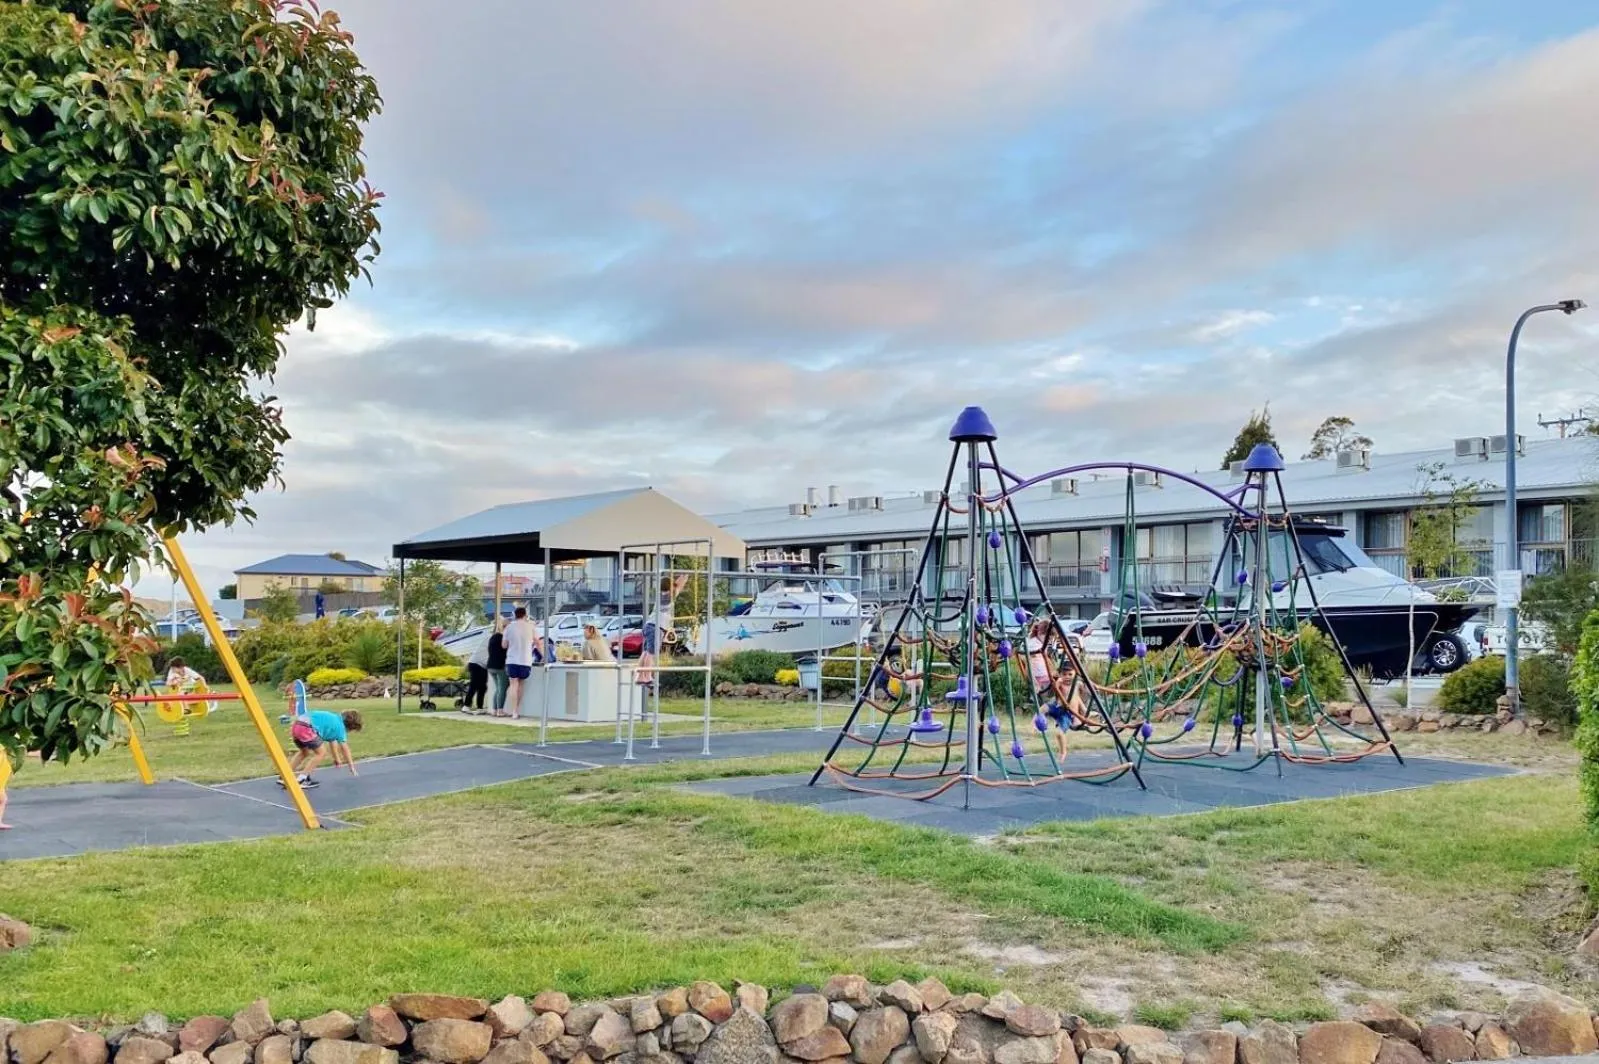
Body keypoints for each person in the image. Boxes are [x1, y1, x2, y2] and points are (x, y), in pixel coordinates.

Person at [287, 708, 363, 787]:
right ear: (351, 726)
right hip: (307, 727)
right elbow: (345, 749)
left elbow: (332, 742)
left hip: (297, 725)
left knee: (304, 752)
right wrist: (351, 766)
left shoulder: (334, 719)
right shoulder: (340, 728)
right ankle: (302, 778)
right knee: (321, 753)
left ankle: (284, 776)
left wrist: (337, 759)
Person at [503, 606, 536, 717]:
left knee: (513, 684)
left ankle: (513, 712)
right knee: (520, 684)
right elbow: (538, 642)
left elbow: (504, 645)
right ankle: (517, 709)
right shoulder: (530, 627)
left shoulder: (509, 627)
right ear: (525, 615)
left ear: (515, 615)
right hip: (525, 660)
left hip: (512, 659)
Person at [464, 629, 490, 713]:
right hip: (476, 664)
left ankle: (480, 708)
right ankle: (466, 706)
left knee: (482, 687)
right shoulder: (490, 639)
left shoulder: (490, 638)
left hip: (481, 665)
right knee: (474, 685)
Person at [486, 620, 509, 713]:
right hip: (500, 666)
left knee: (498, 688)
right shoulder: (503, 639)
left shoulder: (493, 637)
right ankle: (500, 710)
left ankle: (494, 710)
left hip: (490, 666)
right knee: (502, 688)